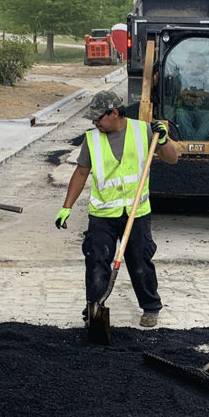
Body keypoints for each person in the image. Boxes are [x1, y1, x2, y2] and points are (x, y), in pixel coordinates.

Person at [54, 91, 178, 328]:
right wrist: (66, 207)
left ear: (113, 113)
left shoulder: (145, 131)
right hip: (102, 214)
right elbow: (81, 172)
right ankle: (95, 307)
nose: (94, 122)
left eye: (98, 118)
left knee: (140, 261)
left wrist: (163, 140)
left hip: (136, 212)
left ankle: (151, 307)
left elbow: (173, 159)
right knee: (97, 261)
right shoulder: (91, 139)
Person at [173, 51, 209, 141]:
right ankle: (191, 141)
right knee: (180, 114)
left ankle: (197, 140)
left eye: (198, 64)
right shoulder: (182, 78)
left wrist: (201, 94)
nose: (195, 66)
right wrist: (194, 97)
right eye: (192, 62)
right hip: (186, 110)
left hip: (204, 110)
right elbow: (180, 93)